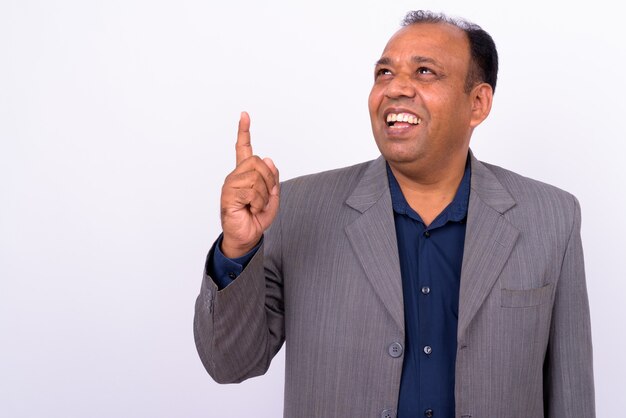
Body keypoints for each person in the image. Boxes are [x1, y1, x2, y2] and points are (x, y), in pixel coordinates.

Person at [194, 10, 595, 418]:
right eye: (384, 73)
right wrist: (239, 248)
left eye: (424, 72)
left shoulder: (551, 218)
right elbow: (229, 364)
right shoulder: (296, 209)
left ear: (477, 102)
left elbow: (572, 395)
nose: (396, 88)